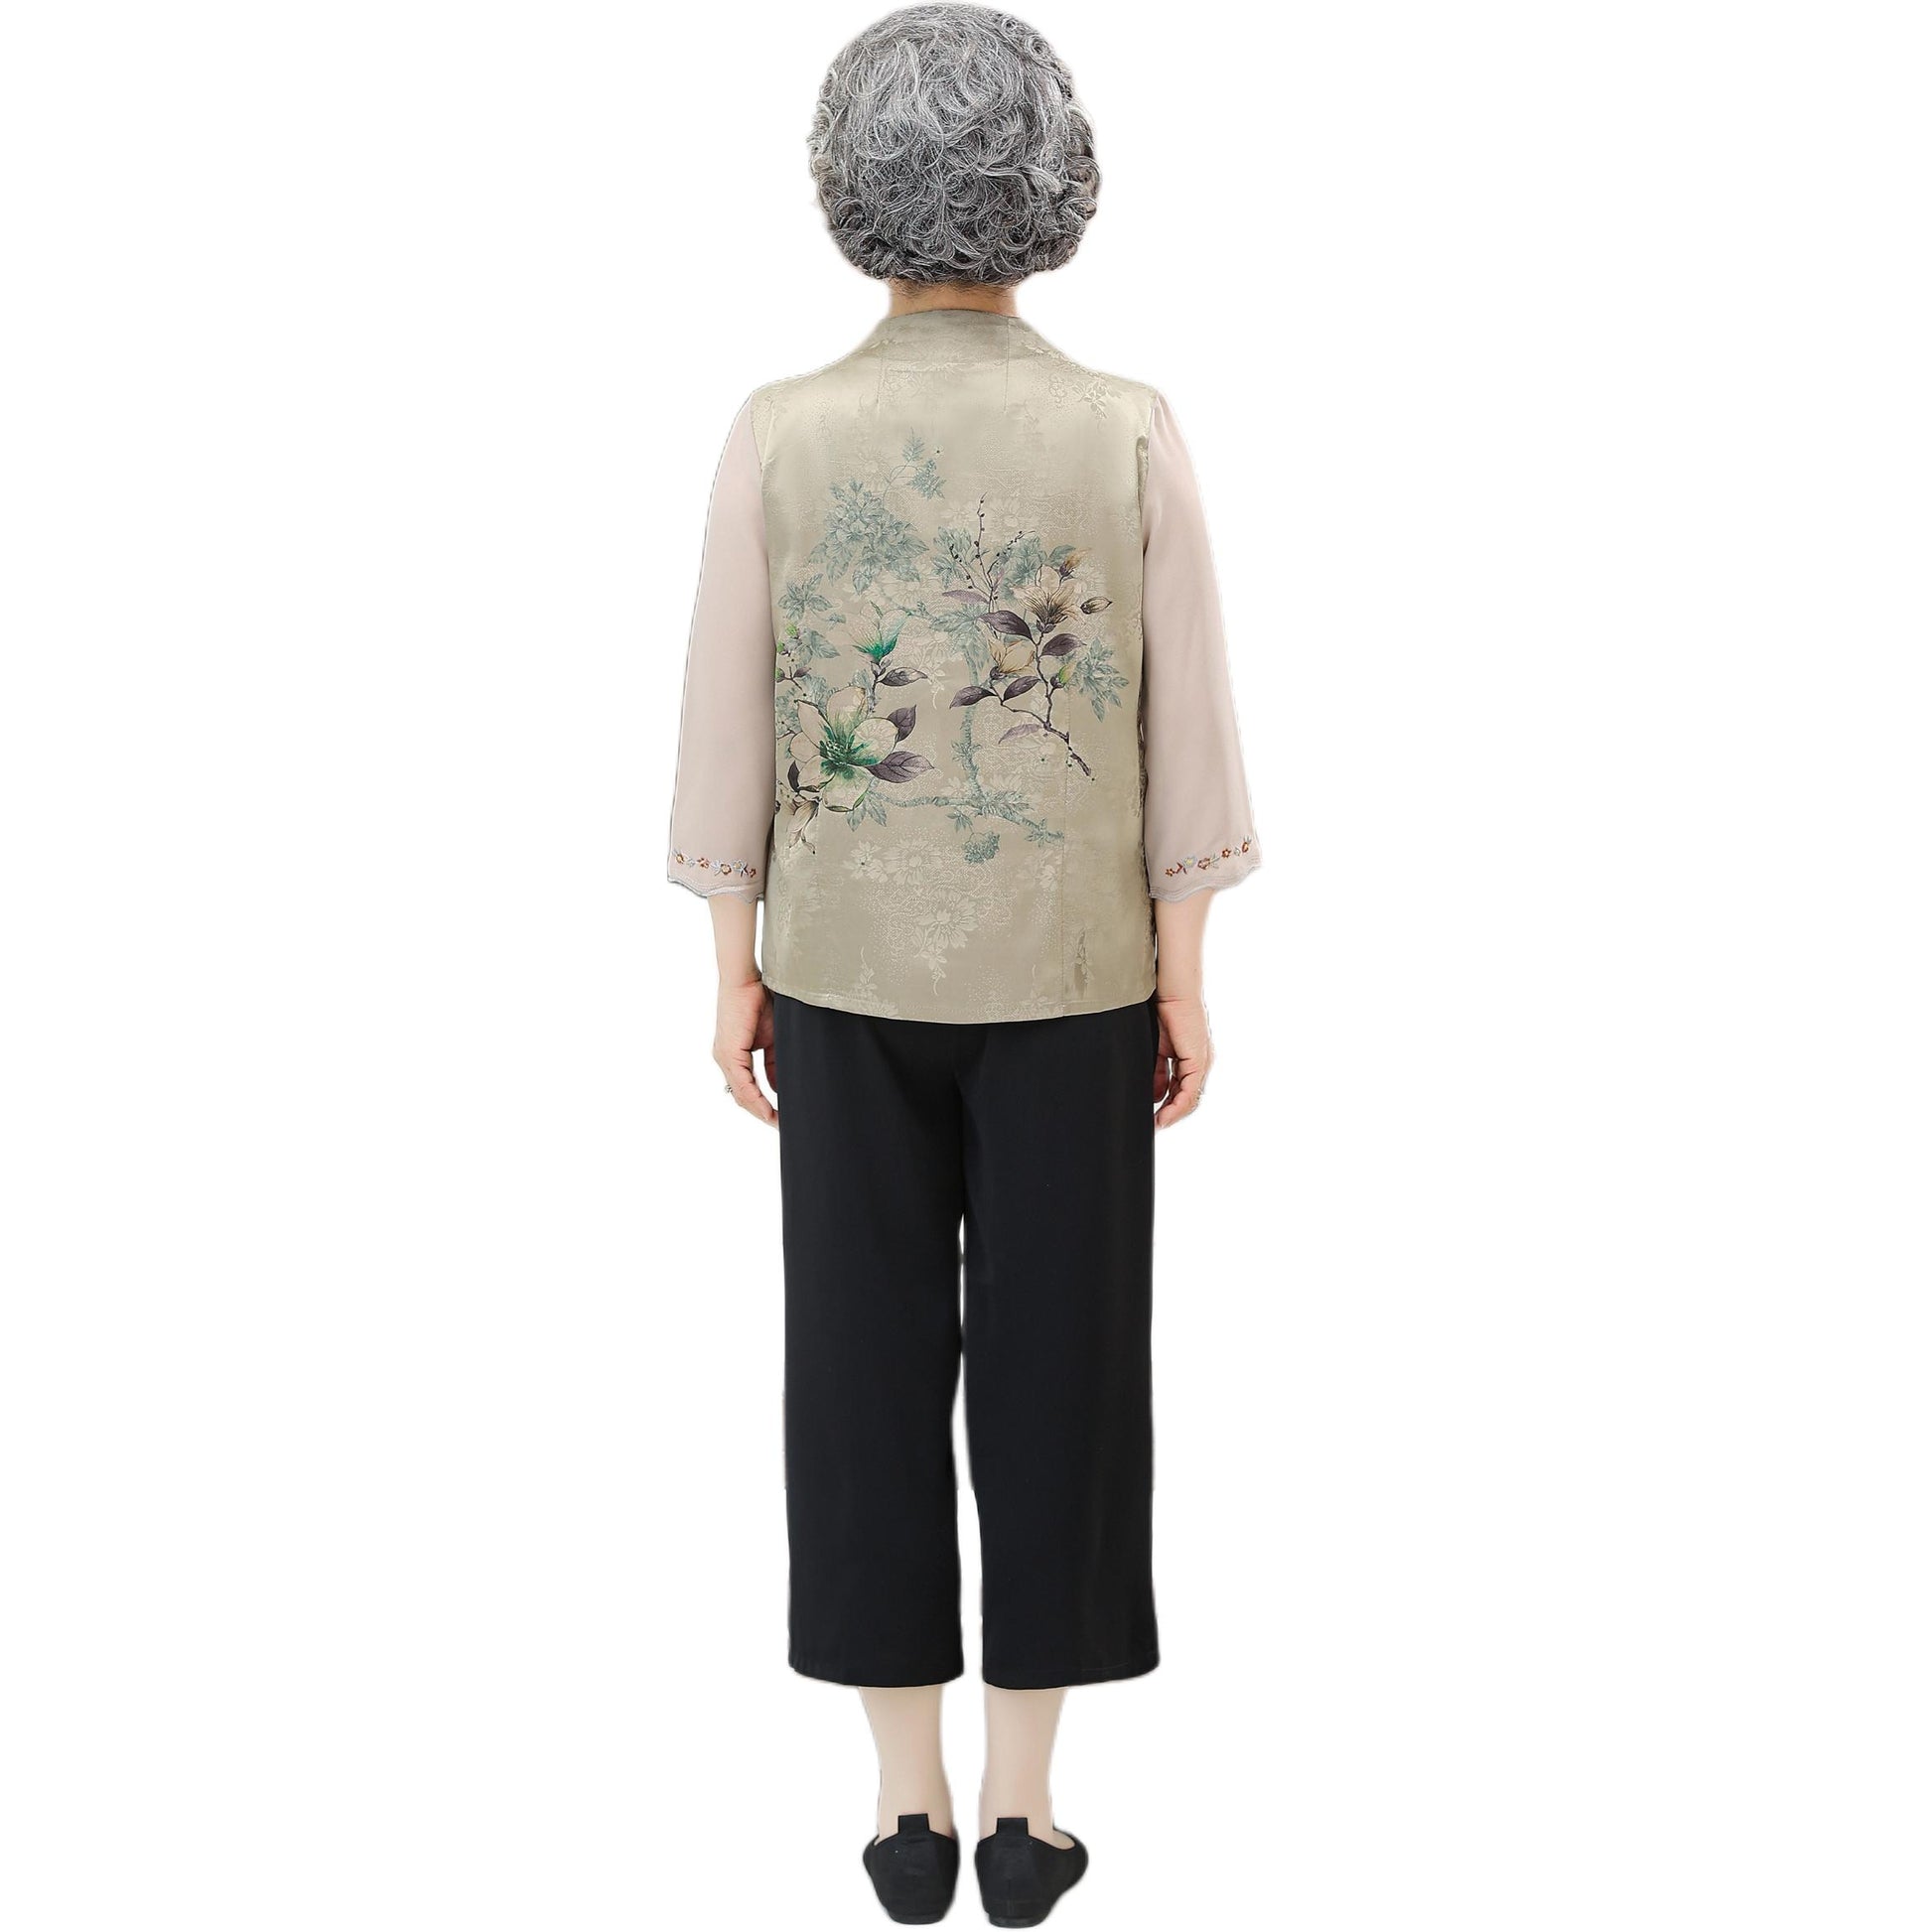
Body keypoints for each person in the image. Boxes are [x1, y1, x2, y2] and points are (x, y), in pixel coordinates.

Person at [666, 7, 1258, 1921]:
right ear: (1054, 184)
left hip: (841, 971)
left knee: (855, 1364)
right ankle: (1025, 1804)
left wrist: (733, 952)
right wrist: (1183, 963)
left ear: (847, 185)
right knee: (1063, 1367)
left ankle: (900, 1803)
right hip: (1074, 974)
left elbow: (729, 706)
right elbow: (1185, 721)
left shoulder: (780, 427)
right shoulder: (1124, 425)